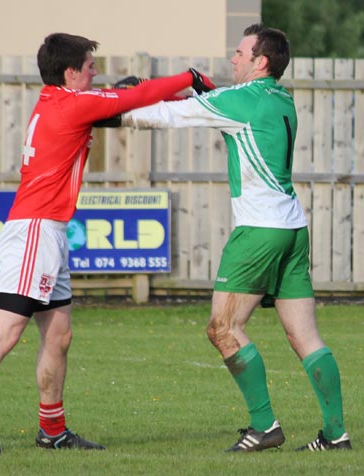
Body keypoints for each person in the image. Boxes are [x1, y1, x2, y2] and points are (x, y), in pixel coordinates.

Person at [0, 32, 215, 453]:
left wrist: (187, 101)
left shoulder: (61, 100)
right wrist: (188, 77)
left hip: (49, 233)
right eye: (89, 65)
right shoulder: (72, 104)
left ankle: (53, 430)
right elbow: (133, 98)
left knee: (58, 335)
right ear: (70, 72)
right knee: (5, 334)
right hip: (34, 233)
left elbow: (129, 100)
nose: (95, 71)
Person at [121, 24, 352, 452]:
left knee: (223, 328)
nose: (234, 58)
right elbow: (204, 103)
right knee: (306, 338)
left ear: (260, 61)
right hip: (292, 229)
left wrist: (114, 109)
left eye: (241, 52)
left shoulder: (240, 100)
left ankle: (264, 427)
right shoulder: (280, 98)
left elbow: (172, 116)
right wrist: (171, 94)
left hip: (260, 232)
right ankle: (336, 434)